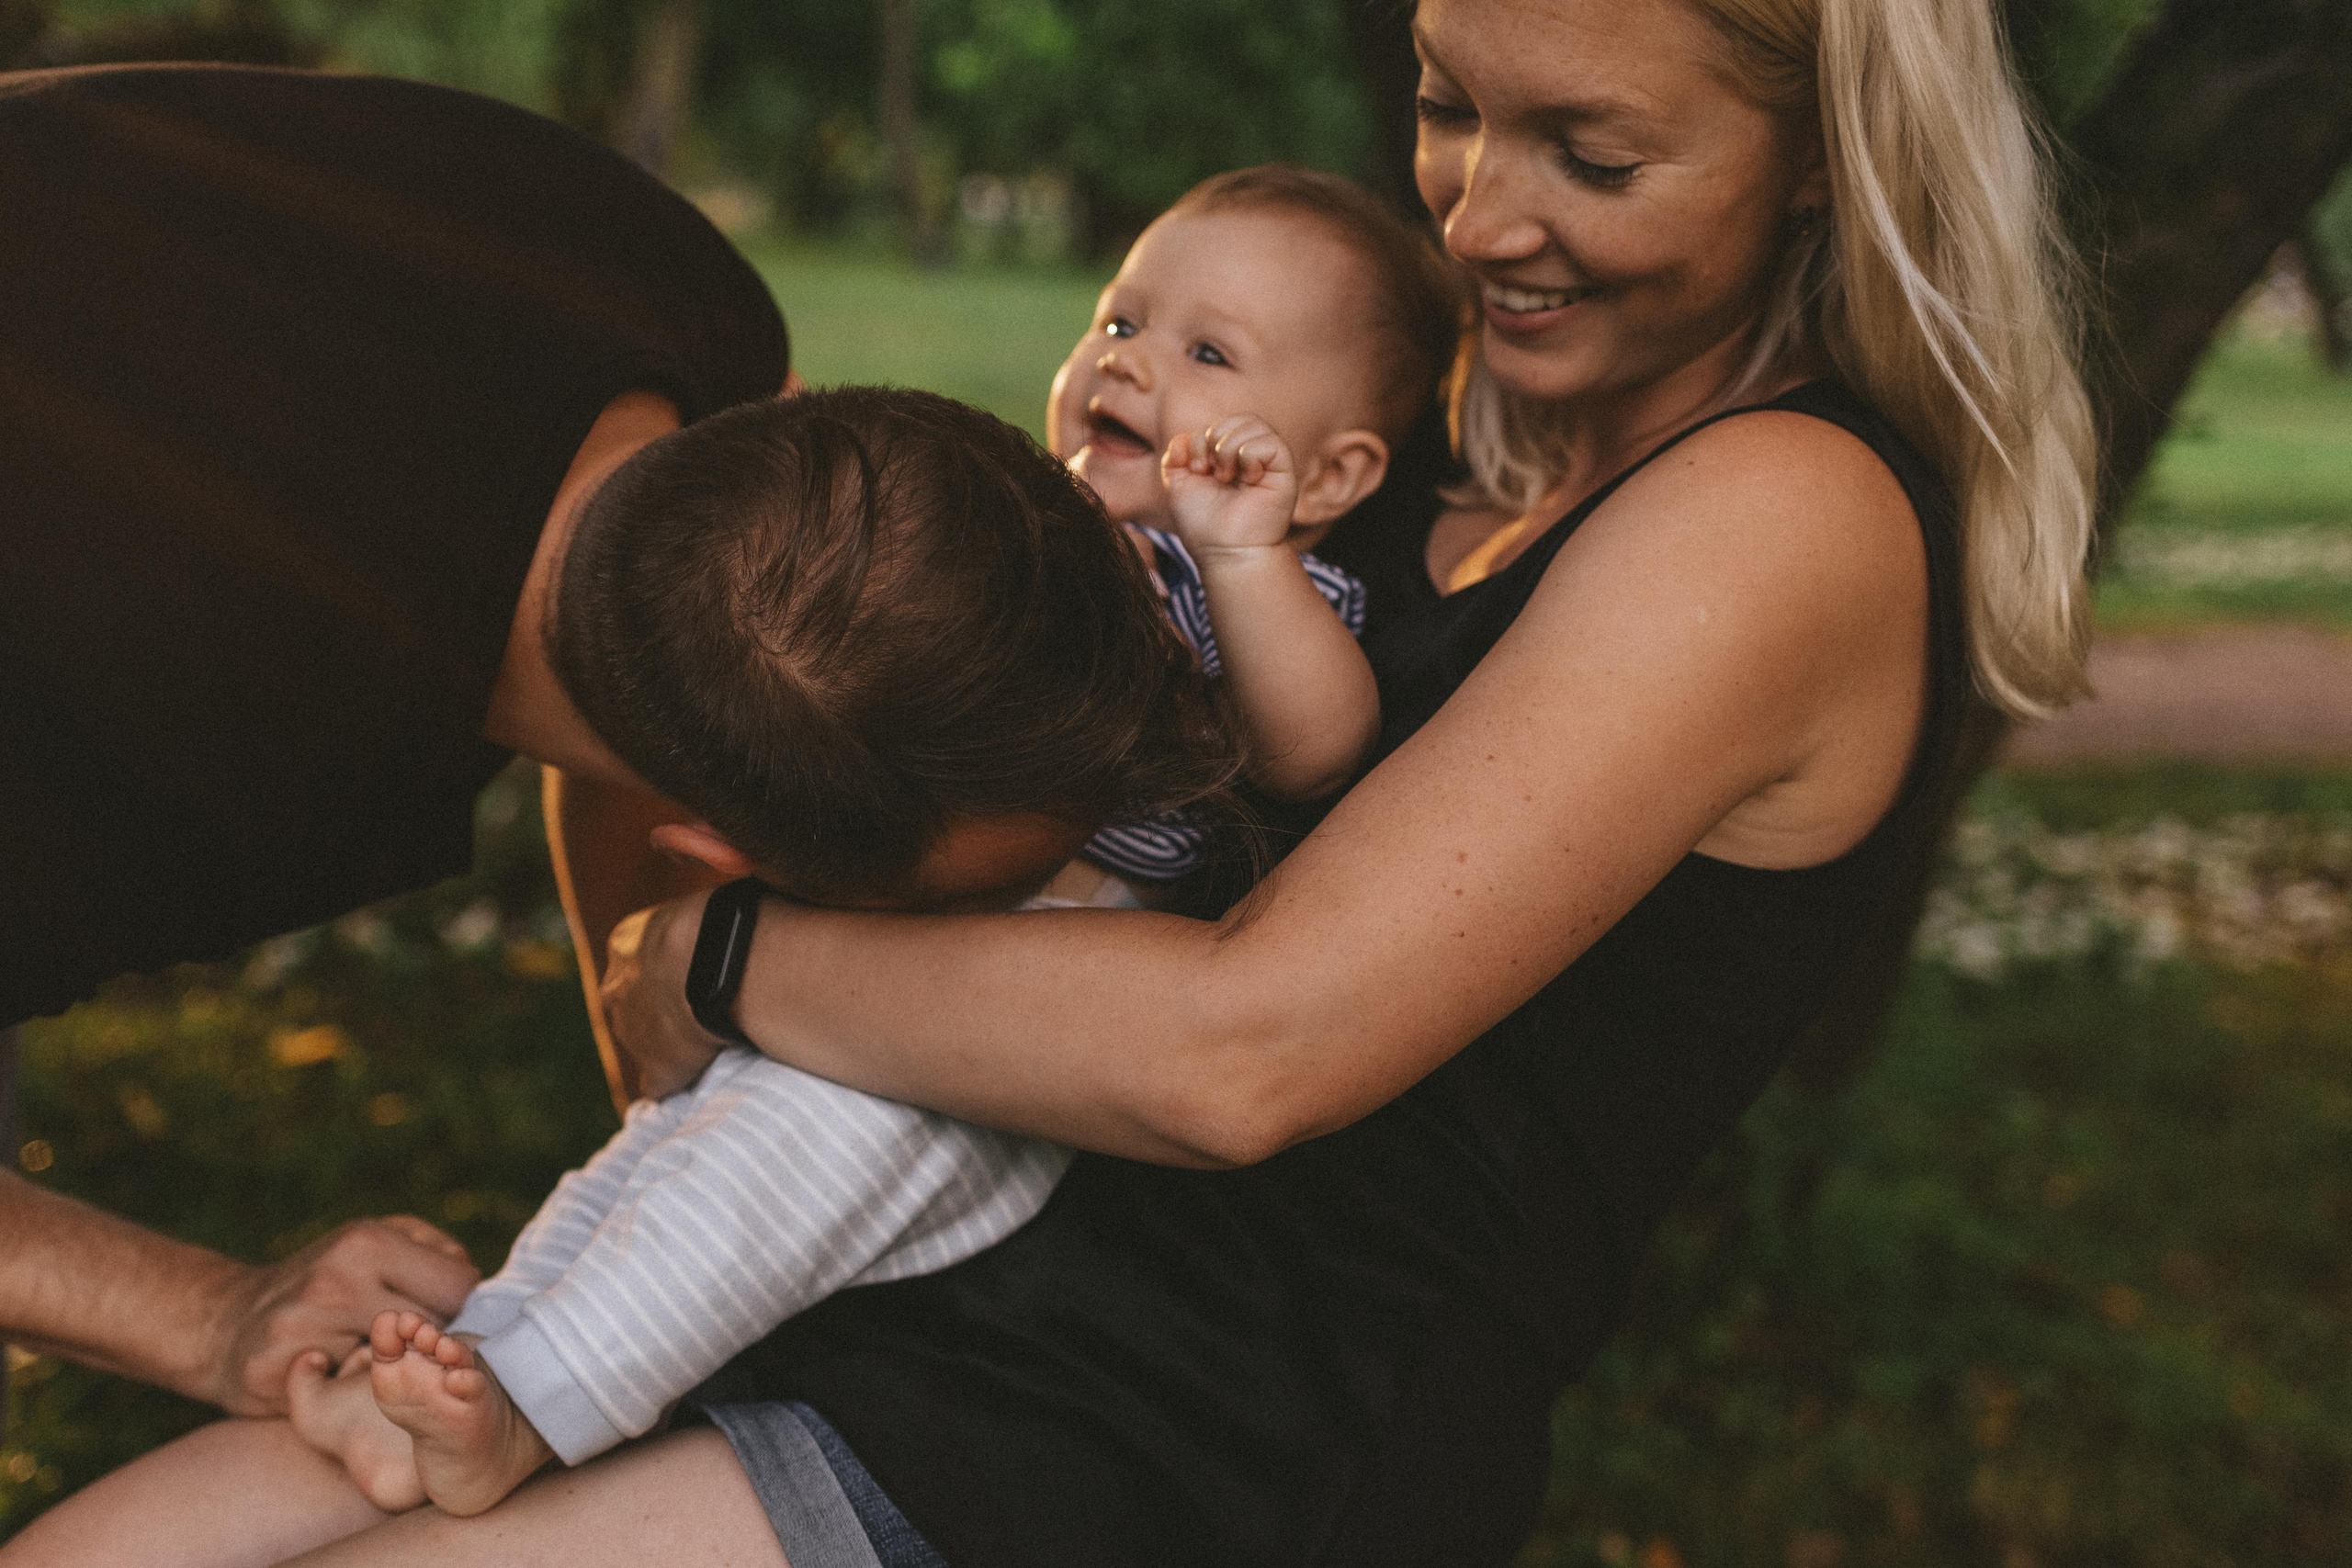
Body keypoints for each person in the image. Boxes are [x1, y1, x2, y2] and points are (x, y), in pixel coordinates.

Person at [8, 0, 2103, 1559]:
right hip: (906, 1291)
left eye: (1593, 156)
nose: (1482, 212)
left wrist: (728, 947)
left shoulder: (1787, 516)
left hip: (1162, 1447)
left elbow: (1241, 1052)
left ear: (1824, 150)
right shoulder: (1392, 441)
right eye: (1450, 108)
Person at [105, 164, 1464, 1532]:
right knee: (664, 1158)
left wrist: (1244, 557)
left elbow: (1315, 746)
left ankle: (528, 1417)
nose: (1133, 365)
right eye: (1120, 321)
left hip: (1022, 1021)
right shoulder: (1030, 522)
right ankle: (471, 1376)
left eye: (1208, 352)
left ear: (1338, 468)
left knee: (769, 1184)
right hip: (867, 960)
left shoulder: (1265, 583)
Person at [0, 61, 1227, 1441]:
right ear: (724, 851)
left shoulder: (643, 277)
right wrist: (210, 1315)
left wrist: (643, 1071)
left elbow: (711, 647)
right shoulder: (190, 747)